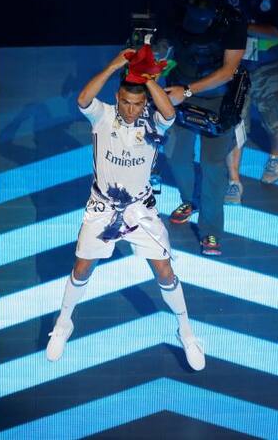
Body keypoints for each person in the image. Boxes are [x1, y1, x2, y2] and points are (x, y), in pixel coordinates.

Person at [45, 48, 205, 371]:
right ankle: (63, 323)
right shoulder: (102, 116)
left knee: (164, 271)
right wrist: (114, 66)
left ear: (145, 102)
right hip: (103, 207)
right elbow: (83, 99)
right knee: (82, 268)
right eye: (126, 102)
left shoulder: (154, 124)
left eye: (138, 103)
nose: (131, 110)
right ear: (118, 97)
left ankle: (186, 331)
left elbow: (169, 113)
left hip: (139, 210)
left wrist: (147, 79)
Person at [162, 0, 246, 256]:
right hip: (179, 93)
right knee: (175, 155)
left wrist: (187, 91)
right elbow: (165, 45)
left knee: (212, 166)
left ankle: (211, 230)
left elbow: (228, 71)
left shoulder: (233, 22)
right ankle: (190, 200)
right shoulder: (176, 14)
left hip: (217, 100)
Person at [212, 0, 278, 202]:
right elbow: (215, 20)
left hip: (270, 63)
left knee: (275, 117)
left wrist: (239, 26)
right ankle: (233, 180)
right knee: (234, 121)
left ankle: (276, 155)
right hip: (235, 64)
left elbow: (276, 32)